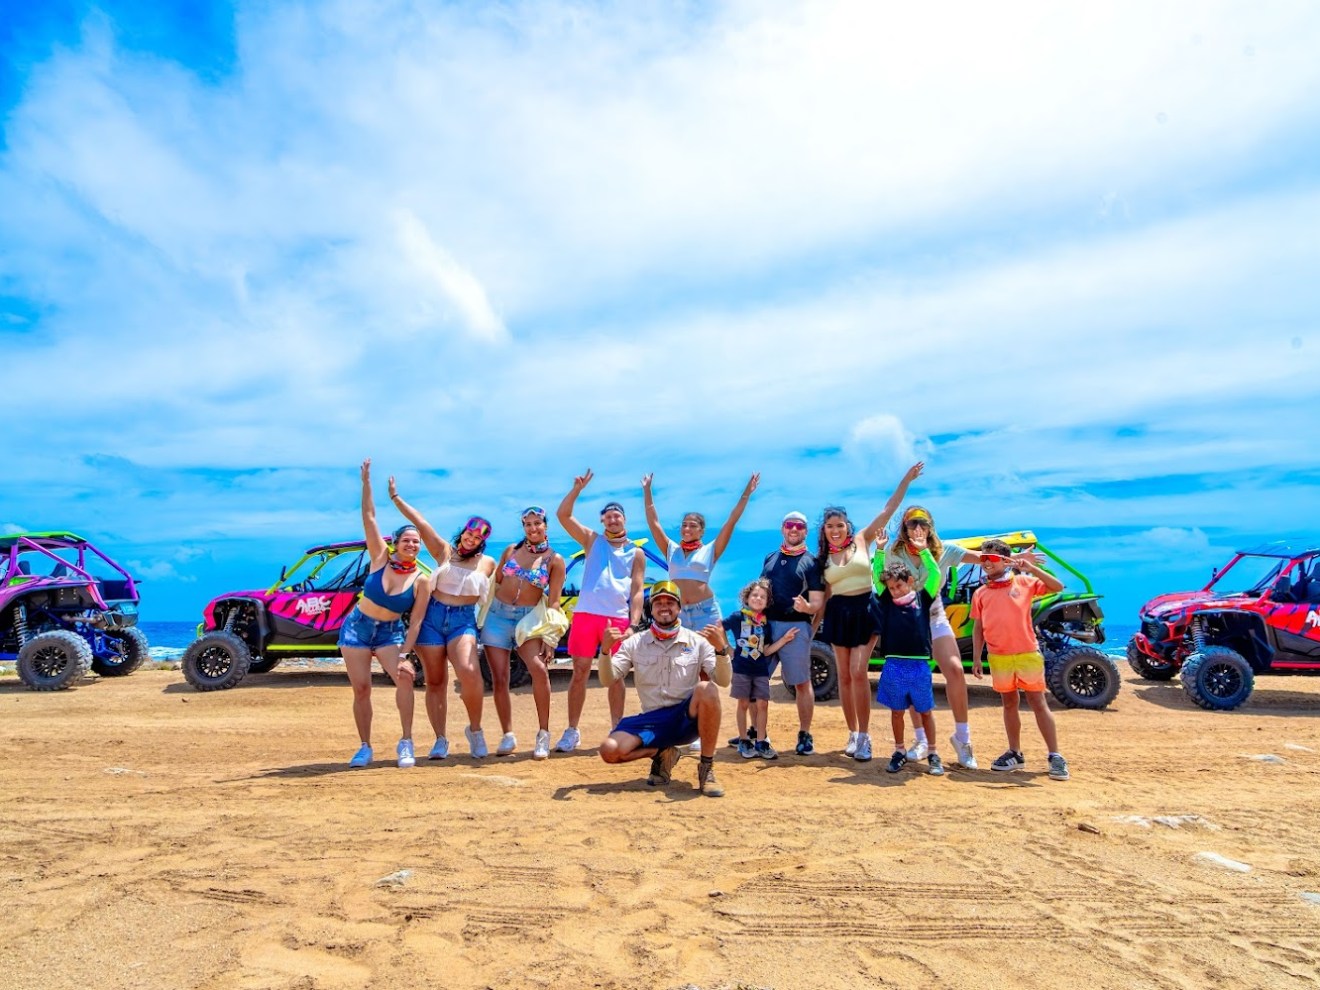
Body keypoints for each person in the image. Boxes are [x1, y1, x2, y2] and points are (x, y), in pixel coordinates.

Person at [881, 493, 1038, 769]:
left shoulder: (946, 550)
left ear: (930, 528)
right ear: (904, 529)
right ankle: (919, 740)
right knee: (912, 679)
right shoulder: (895, 552)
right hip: (907, 621)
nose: (917, 528)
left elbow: (983, 559)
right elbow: (883, 580)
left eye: (923, 523)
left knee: (954, 670)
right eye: (911, 524)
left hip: (934, 616)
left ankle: (963, 739)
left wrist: (1014, 559)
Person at [815, 462, 923, 762]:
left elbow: (889, 508)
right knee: (844, 677)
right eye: (829, 526)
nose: (835, 530)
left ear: (847, 527)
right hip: (838, 614)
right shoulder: (822, 559)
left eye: (840, 525)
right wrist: (809, 635)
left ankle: (865, 737)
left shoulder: (863, 539)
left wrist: (906, 479)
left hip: (865, 609)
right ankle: (852, 733)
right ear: (824, 531)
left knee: (858, 672)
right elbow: (823, 599)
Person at [392, 482, 497, 759]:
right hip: (432, 617)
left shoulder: (488, 563)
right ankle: (440, 740)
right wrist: (396, 497)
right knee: (436, 681)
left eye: (477, 538)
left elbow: (502, 588)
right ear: (463, 532)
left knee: (469, 671)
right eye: (469, 533)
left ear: (482, 542)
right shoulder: (443, 552)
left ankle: (475, 730)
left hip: (463, 620)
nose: (471, 539)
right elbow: (420, 522)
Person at [597, 581, 731, 796]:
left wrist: (721, 650)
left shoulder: (697, 641)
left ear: (679, 608)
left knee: (707, 688)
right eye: (658, 603)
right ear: (651, 608)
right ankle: (663, 752)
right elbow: (608, 679)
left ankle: (707, 768)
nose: (664, 607)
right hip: (652, 721)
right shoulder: (634, 643)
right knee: (609, 751)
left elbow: (723, 681)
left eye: (670, 602)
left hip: (685, 719)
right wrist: (604, 652)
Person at [339, 460, 427, 769]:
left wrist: (405, 653)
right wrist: (366, 483)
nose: (412, 545)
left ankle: (406, 742)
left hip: (390, 633)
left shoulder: (421, 581)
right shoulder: (379, 559)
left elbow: (415, 621)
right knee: (361, 689)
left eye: (416, 542)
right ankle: (365, 747)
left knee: (405, 677)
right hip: (356, 629)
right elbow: (369, 516)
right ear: (396, 543)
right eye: (407, 540)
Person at [555, 469, 646, 752]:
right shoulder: (593, 540)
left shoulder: (636, 552)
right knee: (579, 671)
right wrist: (577, 490)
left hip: (616, 618)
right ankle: (572, 731)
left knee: (615, 675)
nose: (612, 519)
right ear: (602, 521)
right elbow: (563, 516)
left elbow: (637, 590)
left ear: (624, 519)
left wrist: (633, 622)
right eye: (607, 516)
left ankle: (617, 727)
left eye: (616, 515)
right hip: (585, 615)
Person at [970, 539, 1070, 780]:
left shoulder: (1024, 582)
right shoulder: (981, 593)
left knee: (1037, 702)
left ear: (1005, 561)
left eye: (991, 558)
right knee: (1008, 703)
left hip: (1027, 653)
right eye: (983, 558)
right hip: (998, 656)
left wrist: (1031, 568)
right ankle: (1015, 752)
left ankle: (1055, 755)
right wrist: (976, 658)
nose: (986, 563)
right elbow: (978, 627)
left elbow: (1058, 587)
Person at [481, 506, 567, 760]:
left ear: (546, 526)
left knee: (539, 670)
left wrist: (550, 638)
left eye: (537, 523)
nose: (533, 528)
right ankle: (507, 734)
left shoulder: (555, 560)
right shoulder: (511, 550)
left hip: (528, 619)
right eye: (528, 524)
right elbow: (494, 582)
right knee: (499, 677)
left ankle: (543, 733)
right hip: (497, 616)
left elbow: (553, 601)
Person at [641, 471, 759, 630]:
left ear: (702, 531)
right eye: (684, 525)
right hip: (678, 612)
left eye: (692, 525)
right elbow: (653, 523)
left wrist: (746, 493)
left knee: (713, 654)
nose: (687, 528)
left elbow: (731, 520)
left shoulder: (710, 550)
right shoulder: (671, 550)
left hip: (706, 612)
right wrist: (647, 490)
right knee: (681, 654)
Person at [871, 551, 946, 776]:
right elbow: (877, 576)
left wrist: (923, 550)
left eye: (899, 586)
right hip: (894, 664)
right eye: (892, 588)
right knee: (896, 712)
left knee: (925, 711)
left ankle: (933, 753)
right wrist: (880, 551)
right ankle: (899, 751)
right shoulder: (887, 602)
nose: (895, 591)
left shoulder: (924, 598)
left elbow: (934, 572)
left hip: (919, 666)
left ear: (910, 581)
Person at [760, 510, 825, 755]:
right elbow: (760, 592)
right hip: (766, 627)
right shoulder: (770, 558)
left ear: (805, 531)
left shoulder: (812, 562)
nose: (794, 529)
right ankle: (757, 733)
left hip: (796, 628)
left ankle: (805, 734)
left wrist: (807, 611)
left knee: (801, 682)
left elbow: (819, 602)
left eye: (799, 526)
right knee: (758, 681)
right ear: (782, 529)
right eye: (790, 525)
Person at [719, 579, 798, 760]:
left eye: (763, 596)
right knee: (744, 704)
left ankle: (761, 741)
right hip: (741, 669)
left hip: (760, 670)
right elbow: (719, 628)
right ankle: (744, 740)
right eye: (754, 595)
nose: (758, 598)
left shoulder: (765, 625)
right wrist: (726, 649)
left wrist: (784, 640)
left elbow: (766, 650)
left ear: (767, 602)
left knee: (763, 704)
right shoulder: (737, 617)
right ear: (746, 598)